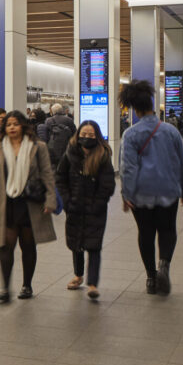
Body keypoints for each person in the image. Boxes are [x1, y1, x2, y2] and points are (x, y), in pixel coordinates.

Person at [120, 80, 183, 295]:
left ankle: (151, 277)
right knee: (168, 229)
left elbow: (129, 169)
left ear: (133, 107)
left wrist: (127, 194)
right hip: (169, 190)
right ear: (152, 103)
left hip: (142, 193)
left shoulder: (131, 134)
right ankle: (164, 265)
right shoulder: (171, 131)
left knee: (145, 233)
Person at [0, 110, 56, 301]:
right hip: (8, 203)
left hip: (30, 202)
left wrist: (51, 199)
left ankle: (27, 285)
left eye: (15, 124)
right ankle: (5, 289)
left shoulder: (38, 147)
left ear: (23, 126)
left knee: (28, 245)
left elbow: (47, 174)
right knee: (5, 245)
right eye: (9, 124)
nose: (12, 127)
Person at [55, 120, 115, 300]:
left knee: (94, 245)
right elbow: (60, 177)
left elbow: (108, 184)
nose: (86, 138)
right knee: (76, 243)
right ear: (78, 135)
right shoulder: (70, 154)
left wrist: (98, 203)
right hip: (74, 206)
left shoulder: (103, 156)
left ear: (97, 136)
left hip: (96, 209)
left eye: (90, 135)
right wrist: (66, 200)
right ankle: (78, 275)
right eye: (84, 134)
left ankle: (93, 283)